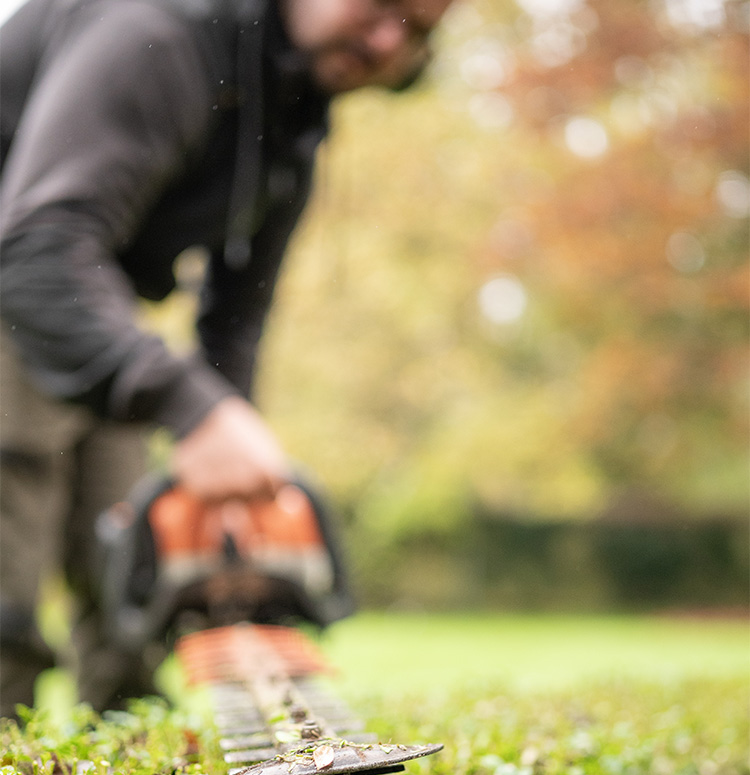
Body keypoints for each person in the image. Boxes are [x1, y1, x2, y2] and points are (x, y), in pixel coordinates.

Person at [0, 0, 451, 718]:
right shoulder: (162, 32)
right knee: (11, 546)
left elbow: (236, 321)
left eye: (420, 30)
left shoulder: (292, 120)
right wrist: (190, 408)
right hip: (26, 267)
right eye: (384, 4)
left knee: (119, 552)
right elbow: (37, 252)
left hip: (91, 295)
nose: (390, 38)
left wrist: (220, 450)